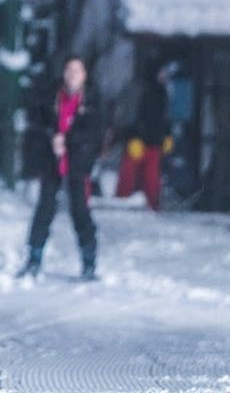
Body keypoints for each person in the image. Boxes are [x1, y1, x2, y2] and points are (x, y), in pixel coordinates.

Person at [19, 56, 102, 279]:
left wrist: (67, 140)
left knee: (80, 212)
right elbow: (38, 124)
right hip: (52, 163)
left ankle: (89, 261)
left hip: (78, 164)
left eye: (77, 70)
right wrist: (51, 138)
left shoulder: (92, 100)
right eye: (69, 69)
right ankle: (33, 259)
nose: (72, 74)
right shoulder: (51, 96)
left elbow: (95, 132)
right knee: (44, 209)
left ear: (85, 74)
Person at [116, 63, 173, 210]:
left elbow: (164, 117)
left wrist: (167, 134)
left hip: (154, 140)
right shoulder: (140, 90)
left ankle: (152, 202)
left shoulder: (162, 92)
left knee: (152, 175)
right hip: (137, 140)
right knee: (129, 173)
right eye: (161, 73)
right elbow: (130, 115)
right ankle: (123, 200)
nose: (164, 76)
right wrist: (132, 135)